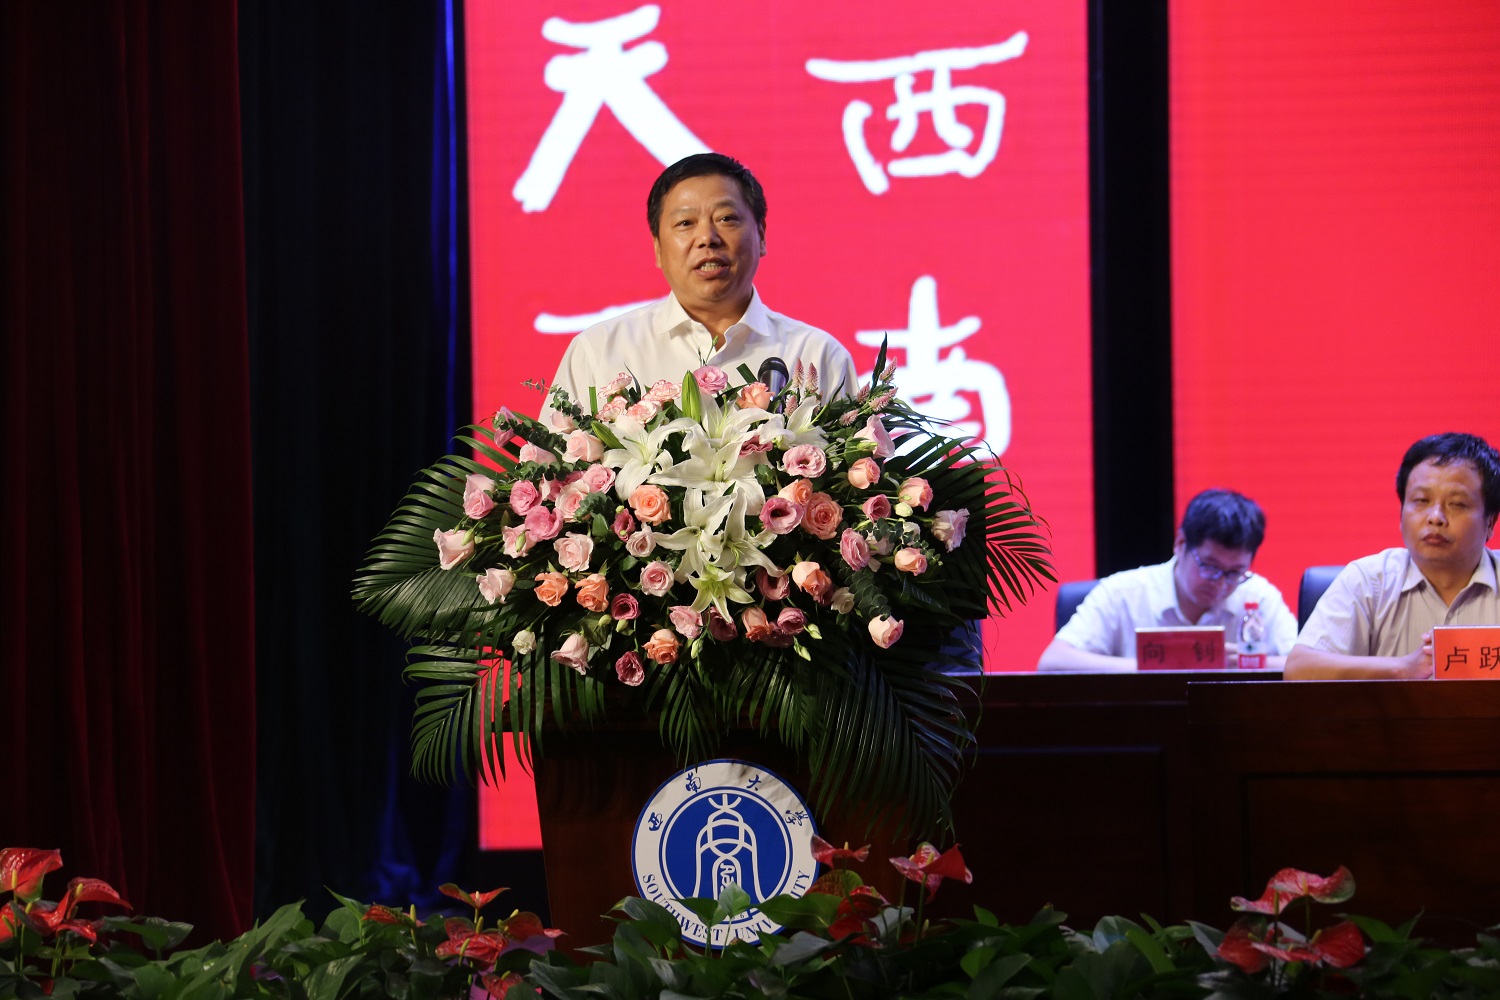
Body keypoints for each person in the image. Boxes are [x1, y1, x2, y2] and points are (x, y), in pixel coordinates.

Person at [545, 153, 857, 411]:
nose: (707, 238)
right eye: (685, 223)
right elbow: (551, 467)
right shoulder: (599, 351)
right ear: (657, 248)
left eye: (726, 219)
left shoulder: (818, 356)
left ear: (761, 235)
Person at [1286, 432, 1500, 680]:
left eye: (1457, 504)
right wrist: (1403, 668)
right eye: (1421, 500)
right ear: (1401, 514)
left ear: (1490, 522)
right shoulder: (1369, 581)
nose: (1435, 517)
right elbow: (1299, 669)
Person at [1037, 489, 1298, 672]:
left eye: (1234, 573)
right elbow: (1053, 662)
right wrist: (1151, 667)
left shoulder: (1258, 596)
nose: (1220, 584)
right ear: (1180, 543)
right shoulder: (1123, 592)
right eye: (1210, 567)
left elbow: (1304, 663)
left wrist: (1248, 661)